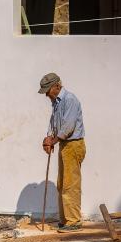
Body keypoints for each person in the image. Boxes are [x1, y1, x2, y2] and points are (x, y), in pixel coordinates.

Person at [39, 72, 86, 232]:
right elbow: (54, 123)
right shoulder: (57, 102)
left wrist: (54, 140)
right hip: (65, 145)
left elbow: (68, 126)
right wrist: (48, 138)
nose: (46, 95)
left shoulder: (69, 100)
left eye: (47, 90)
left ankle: (73, 222)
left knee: (70, 184)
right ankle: (66, 219)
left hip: (73, 145)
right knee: (62, 183)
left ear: (57, 86)